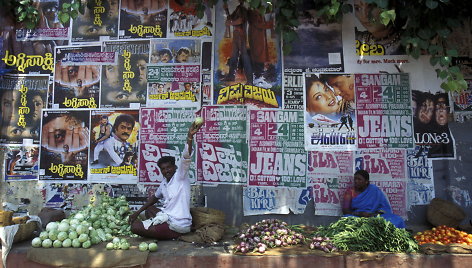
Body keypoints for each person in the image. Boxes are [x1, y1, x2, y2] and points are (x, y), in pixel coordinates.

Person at [129, 121, 203, 239]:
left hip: (178, 224)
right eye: (163, 169)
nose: (166, 171)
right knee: (149, 210)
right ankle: (158, 229)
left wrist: (190, 137)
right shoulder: (164, 182)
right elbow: (154, 198)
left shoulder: (180, 176)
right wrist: (136, 213)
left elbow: (186, 156)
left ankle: (170, 233)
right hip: (168, 216)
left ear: (174, 167)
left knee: (135, 228)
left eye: (168, 167)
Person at [223, 0, 253, 84]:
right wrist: (226, 10)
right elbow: (231, 18)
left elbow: (240, 20)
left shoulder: (242, 9)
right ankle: (231, 76)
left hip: (240, 34)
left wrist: (231, 23)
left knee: (244, 57)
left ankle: (250, 80)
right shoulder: (238, 8)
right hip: (237, 34)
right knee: (234, 56)